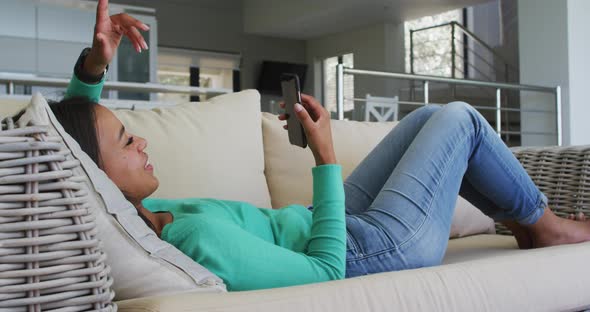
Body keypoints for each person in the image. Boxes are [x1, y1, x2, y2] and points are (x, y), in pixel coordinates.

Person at [50, 0, 590, 291]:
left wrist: (95, 64)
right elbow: (326, 274)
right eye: (126, 140)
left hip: (330, 223)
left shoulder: (157, 219)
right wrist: (326, 160)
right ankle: (545, 227)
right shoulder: (196, 240)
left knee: (428, 115)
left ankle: (523, 220)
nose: (140, 139)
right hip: (368, 251)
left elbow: (73, 146)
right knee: (460, 120)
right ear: (100, 178)